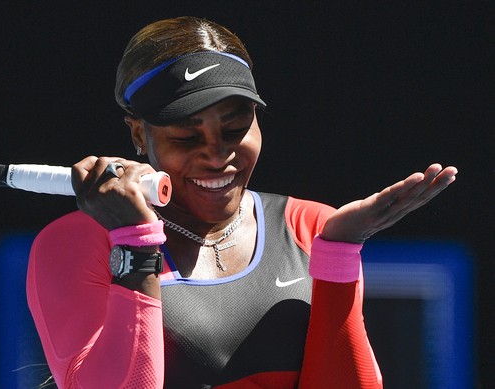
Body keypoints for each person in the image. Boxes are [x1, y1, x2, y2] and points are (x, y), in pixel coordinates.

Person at [26, 16, 457, 389]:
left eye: (234, 130)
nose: (217, 156)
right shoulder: (74, 243)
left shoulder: (312, 227)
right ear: (139, 134)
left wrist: (340, 253)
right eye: (187, 138)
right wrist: (136, 245)